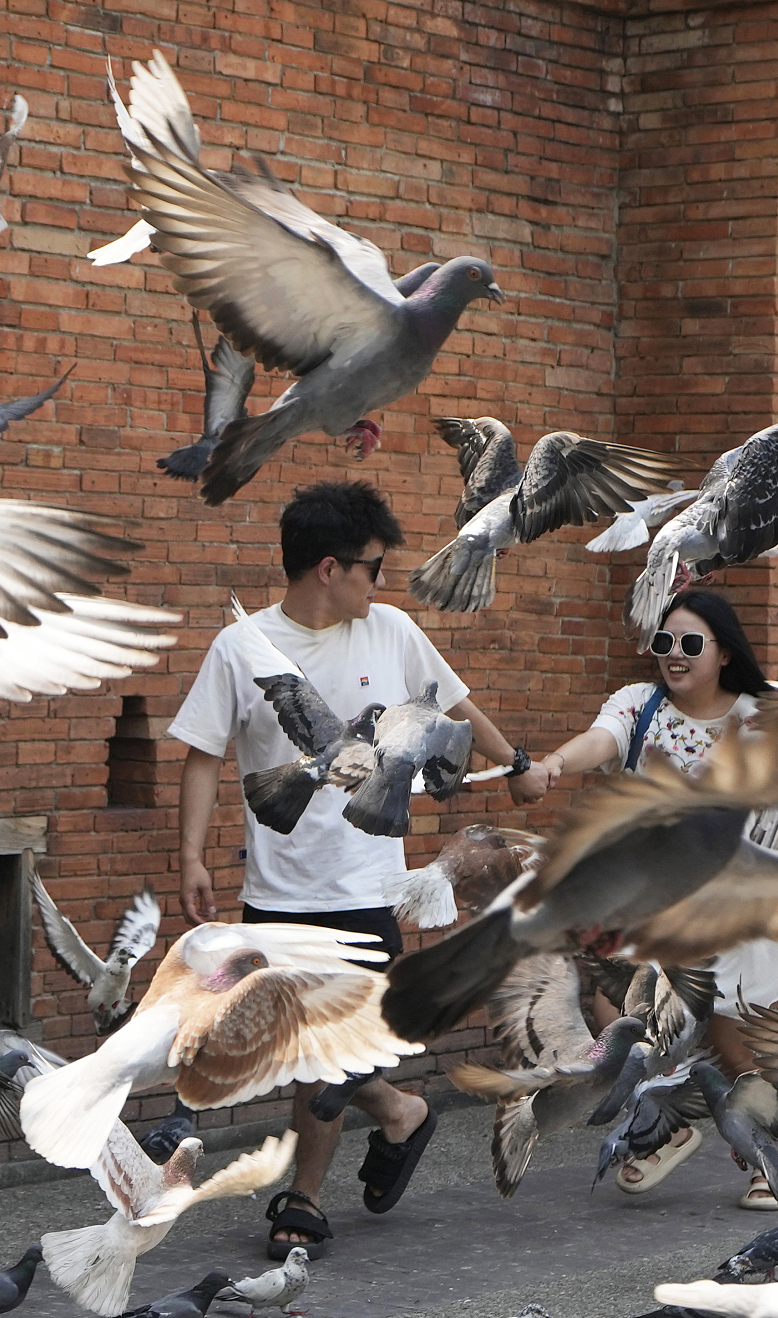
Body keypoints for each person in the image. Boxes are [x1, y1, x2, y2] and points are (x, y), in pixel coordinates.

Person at [168, 479, 551, 1258]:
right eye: (373, 567)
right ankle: (401, 1112)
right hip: (276, 888)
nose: (383, 583)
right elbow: (205, 754)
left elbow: (454, 705)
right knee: (294, 1045)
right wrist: (190, 852)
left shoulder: (392, 631)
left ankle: (302, 1199)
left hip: (366, 888)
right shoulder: (242, 648)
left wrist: (517, 761)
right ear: (329, 568)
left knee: (323, 1050)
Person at [539, 587, 778, 1209]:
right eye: (663, 642)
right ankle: (664, 1126)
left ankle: (766, 1163)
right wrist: (552, 763)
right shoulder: (639, 705)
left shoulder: (762, 718)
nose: (672, 655)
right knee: (612, 1000)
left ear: (726, 652)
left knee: (730, 1039)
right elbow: (600, 742)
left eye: (689, 643)